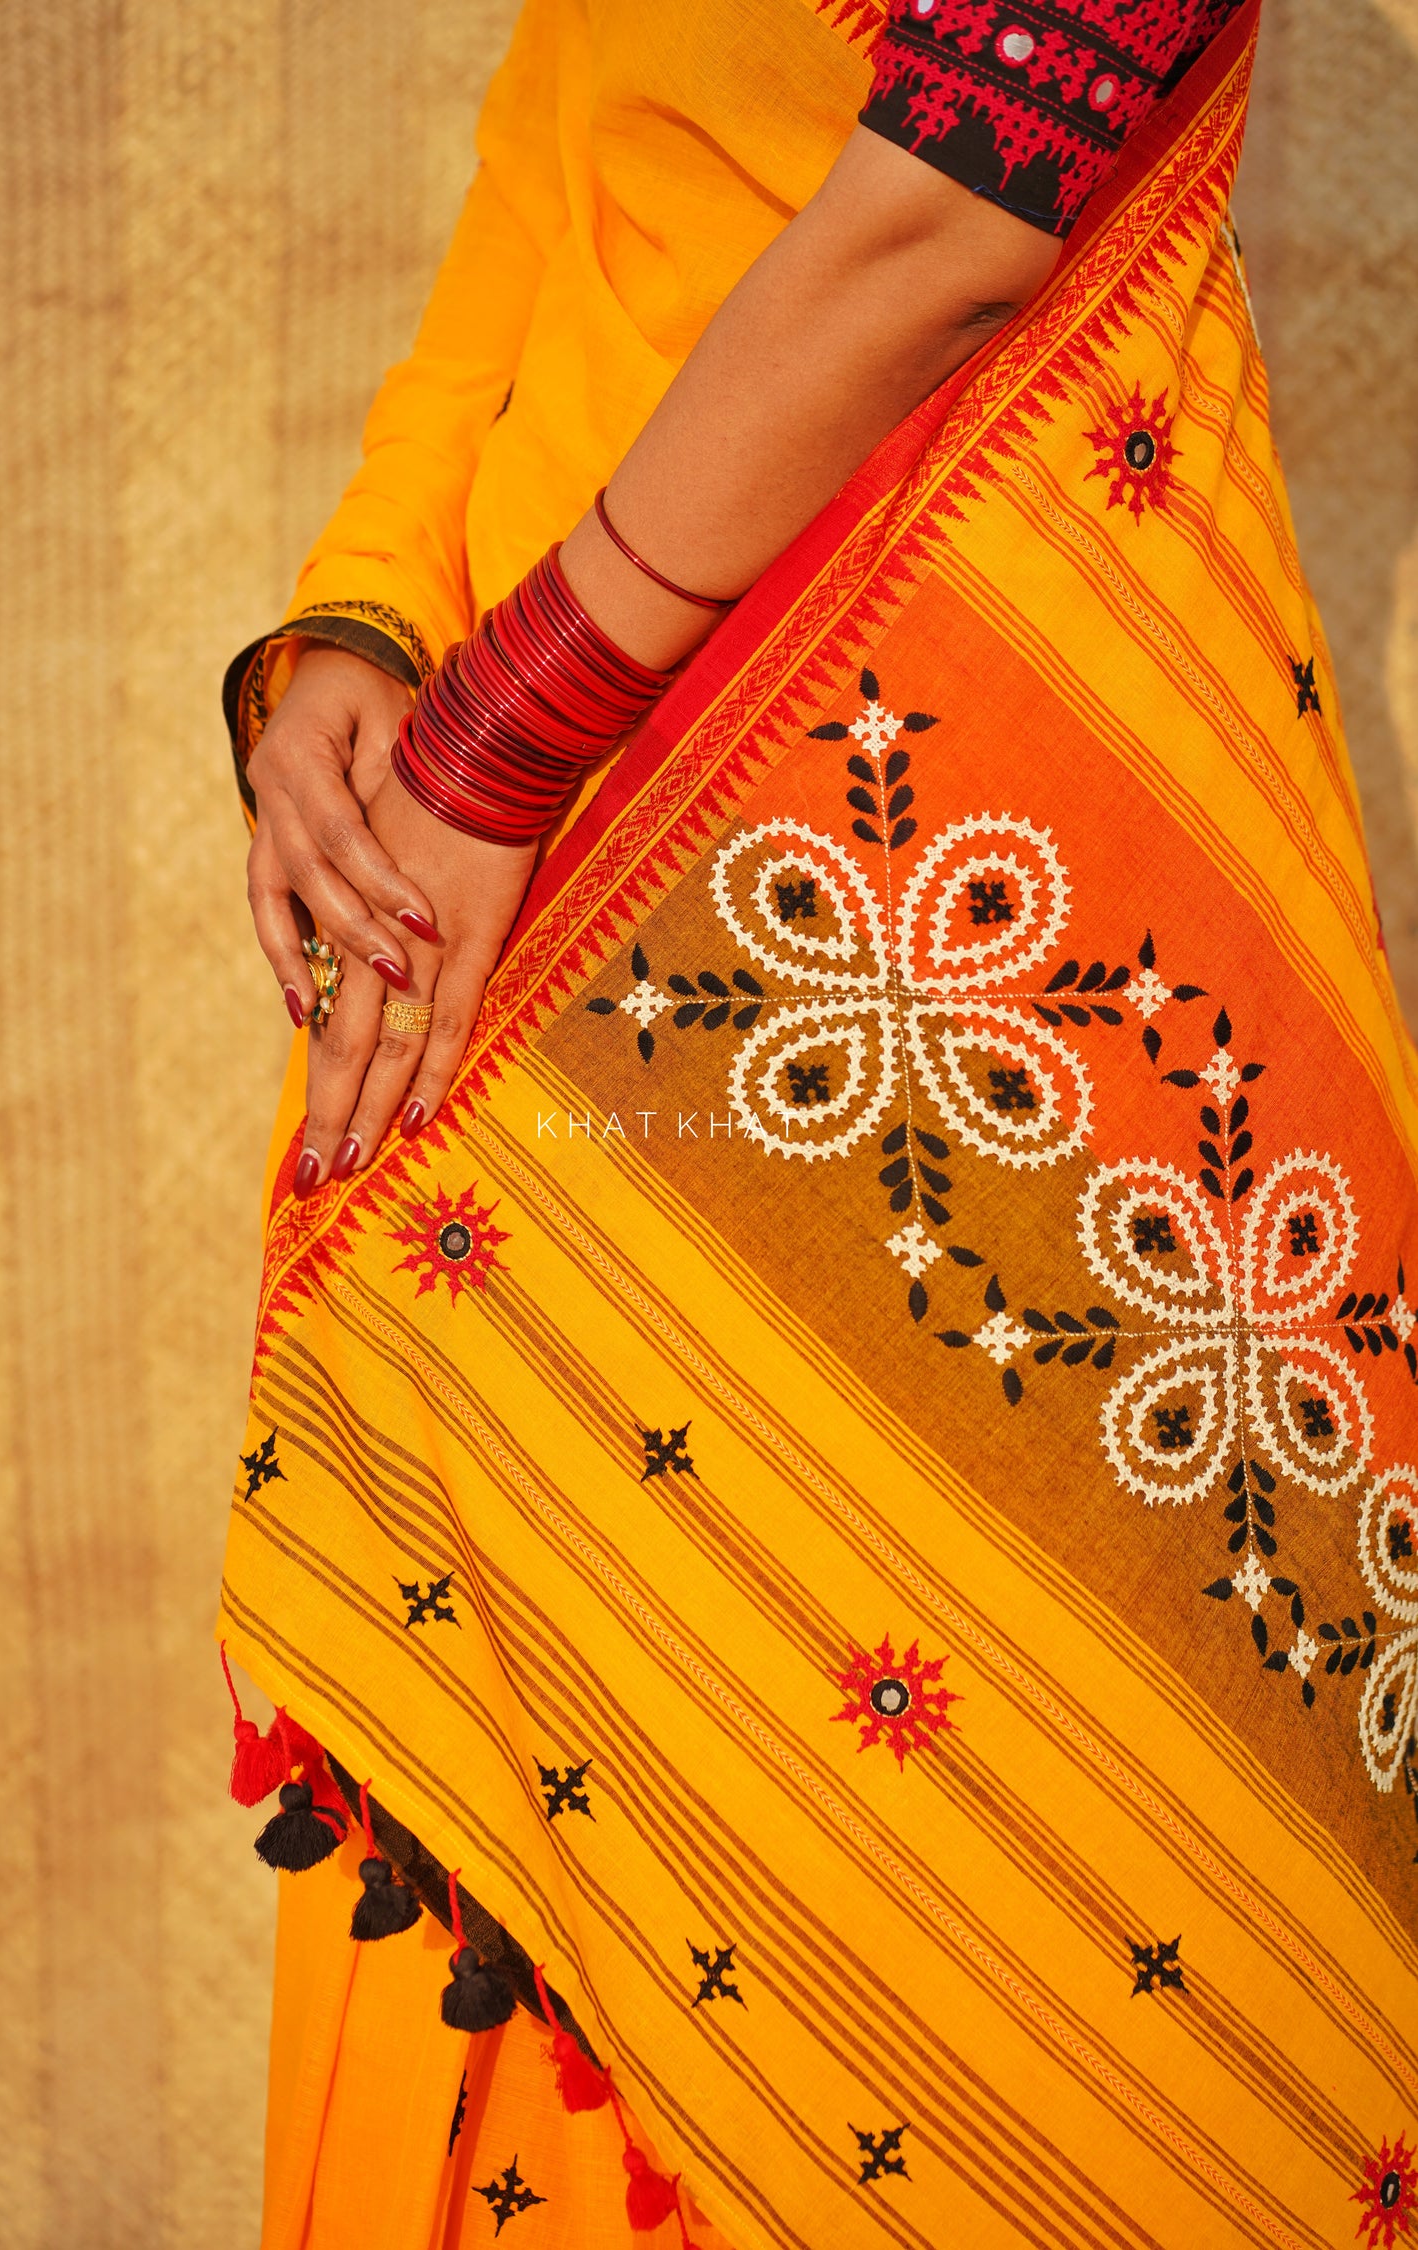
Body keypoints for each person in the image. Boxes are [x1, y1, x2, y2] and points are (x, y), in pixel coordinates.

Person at [220, 3, 1418, 2244]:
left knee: (973, 1862)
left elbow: (953, 212)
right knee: (519, 1839)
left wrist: (506, 736)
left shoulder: (542, 756)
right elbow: (552, 153)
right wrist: (359, 630)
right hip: (504, 884)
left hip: (884, 841)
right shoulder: (471, 773)